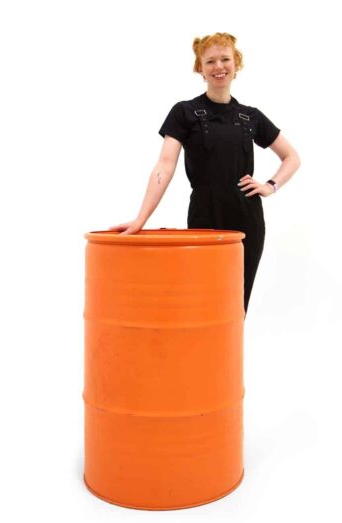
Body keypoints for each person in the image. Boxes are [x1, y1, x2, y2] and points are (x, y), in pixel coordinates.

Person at [109, 32, 301, 316]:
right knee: (201, 303)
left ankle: (230, 347)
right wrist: (141, 218)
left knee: (236, 306)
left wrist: (270, 185)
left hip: (246, 219)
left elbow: (292, 157)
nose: (218, 66)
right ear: (200, 68)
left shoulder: (251, 116)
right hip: (204, 216)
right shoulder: (185, 112)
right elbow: (164, 166)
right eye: (210, 61)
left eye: (225, 59)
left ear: (236, 64)